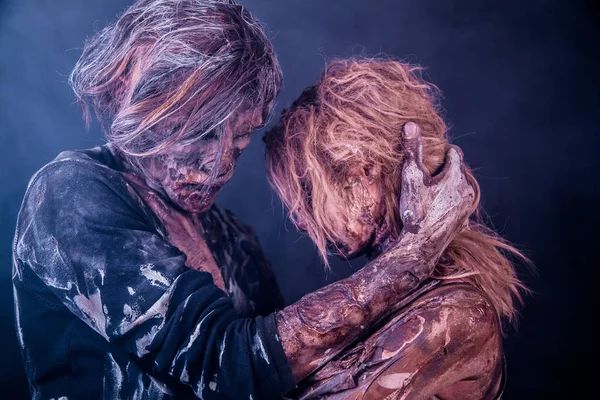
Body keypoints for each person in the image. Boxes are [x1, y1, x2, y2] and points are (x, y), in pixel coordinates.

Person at [12, 1, 475, 399]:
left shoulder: (234, 240)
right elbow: (225, 365)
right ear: (135, 105)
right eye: (200, 133)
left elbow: (285, 381)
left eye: (238, 140)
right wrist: (410, 257)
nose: (219, 166)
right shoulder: (70, 195)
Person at [262, 58, 528, 399]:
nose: (299, 219)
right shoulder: (408, 293)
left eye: (309, 191)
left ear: (366, 174)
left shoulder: (454, 311)